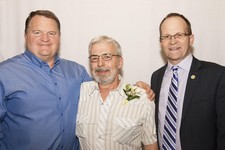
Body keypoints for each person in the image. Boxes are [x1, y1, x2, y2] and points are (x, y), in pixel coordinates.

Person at [0, 10, 154, 150]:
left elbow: (105, 84)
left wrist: (138, 88)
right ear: (26, 35)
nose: (45, 38)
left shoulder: (76, 72)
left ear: (59, 37)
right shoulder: (5, 73)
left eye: (52, 33)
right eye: (37, 32)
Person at [151, 12, 225, 150]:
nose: (172, 41)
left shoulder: (217, 76)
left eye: (179, 35)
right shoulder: (156, 77)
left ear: (191, 39)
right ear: (161, 42)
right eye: (166, 36)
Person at [76, 35, 158, 150]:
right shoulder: (79, 93)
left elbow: (150, 145)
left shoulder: (141, 98)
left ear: (119, 62)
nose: (100, 63)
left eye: (107, 57)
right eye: (94, 58)